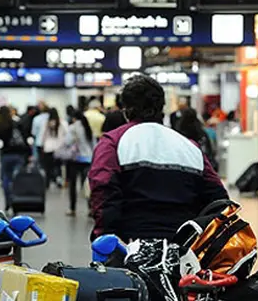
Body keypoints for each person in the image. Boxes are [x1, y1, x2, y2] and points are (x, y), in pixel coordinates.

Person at [89, 74, 228, 242]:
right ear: (162, 106)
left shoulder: (113, 142)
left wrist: (104, 237)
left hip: (130, 245)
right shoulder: (189, 146)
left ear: (126, 109)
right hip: (183, 246)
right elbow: (219, 200)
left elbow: (103, 192)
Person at [0, 105, 30, 212]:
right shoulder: (17, 123)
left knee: (6, 179)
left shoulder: (2, 125)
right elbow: (25, 137)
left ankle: (8, 202)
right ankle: (16, 201)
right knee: (16, 179)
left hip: (6, 156)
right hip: (18, 155)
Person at [65, 110, 95, 217]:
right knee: (87, 185)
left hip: (75, 159)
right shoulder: (88, 127)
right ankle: (90, 208)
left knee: (73, 185)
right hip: (87, 159)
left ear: (73, 118)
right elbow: (93, 144)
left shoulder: (72, 128)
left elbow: (67, 142)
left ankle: (72, 208)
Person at [39, 107, 67, 188]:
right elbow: (66, 135)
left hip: (48, 148)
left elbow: (43, 136)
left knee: (48, 167)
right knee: (58, 167)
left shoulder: (46, 123)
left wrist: (42, 145)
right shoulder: (62, 123)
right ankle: (59, 181)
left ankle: (47, 183)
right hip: (59, 148)